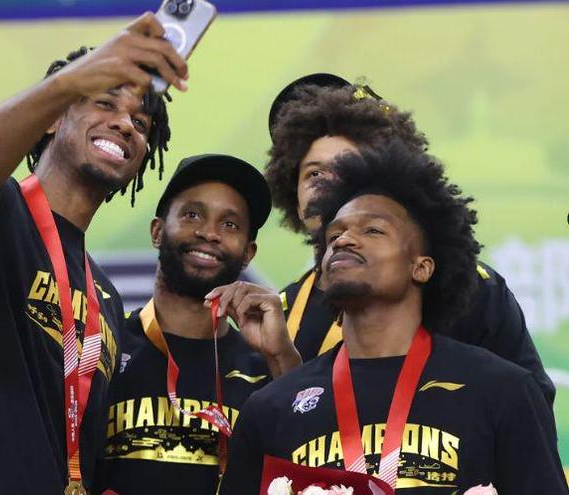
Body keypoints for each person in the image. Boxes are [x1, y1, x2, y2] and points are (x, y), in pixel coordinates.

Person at [0, 13, 187, 494]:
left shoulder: (105, 296)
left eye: (140, 123)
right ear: (54, 118)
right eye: (104, 102)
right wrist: (69, 81)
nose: (125, 124)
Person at [220, 141, 569, 494]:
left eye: (373, 230)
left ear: (421, 267)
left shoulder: (503, 391)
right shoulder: (270, 407)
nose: (344, 241)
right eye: (334, 235)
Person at [265, 74, 556, 405]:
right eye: (314, 173)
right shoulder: (281, 313)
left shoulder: (467, 287)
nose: (328, 184)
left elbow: (530, 406)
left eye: (346, 166)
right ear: (294, 197)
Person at [95, 154, 301, 495]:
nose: (209, 233)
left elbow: (307, 464)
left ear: (248, 253)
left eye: (230, 224)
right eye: (192, 215)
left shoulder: (268, 367)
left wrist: (281, 356)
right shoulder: (106, 345)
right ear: (157, 231)